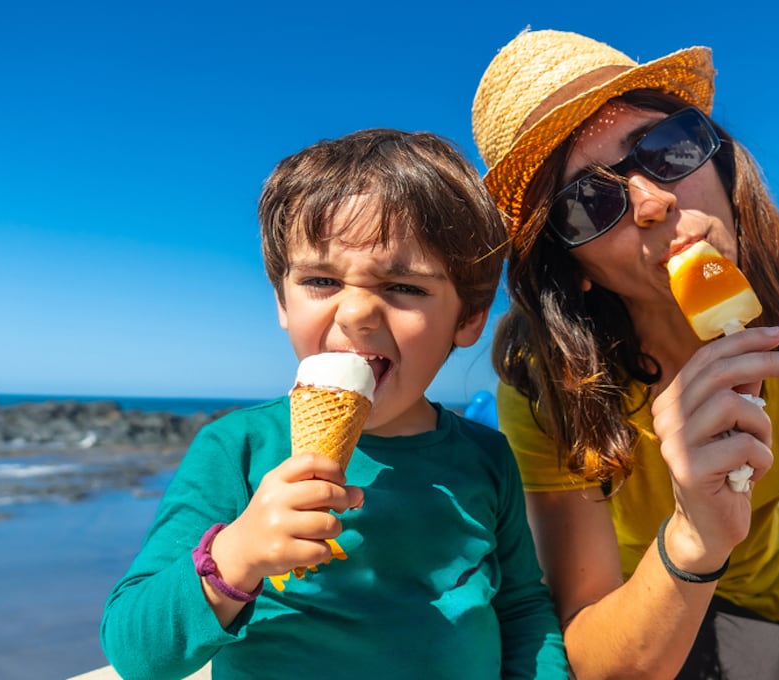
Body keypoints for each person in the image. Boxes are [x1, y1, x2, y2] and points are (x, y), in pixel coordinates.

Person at [470, 29, 779, 679]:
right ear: (575, 270)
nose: (651, 203)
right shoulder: (548, 384)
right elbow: (593, 644)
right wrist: (694, 532)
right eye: (588, 203)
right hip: (639, 615)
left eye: (664, 148)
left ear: (718, 158)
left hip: (772, 610)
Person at [100, 130, 568, 679]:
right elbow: (136, 654)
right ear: (282, 299)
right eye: (321, 280)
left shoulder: (486, 459)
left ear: (468, 317)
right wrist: (235, 557)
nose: (356, 314)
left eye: (404, 287)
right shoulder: (240, 449)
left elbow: (521, 610)